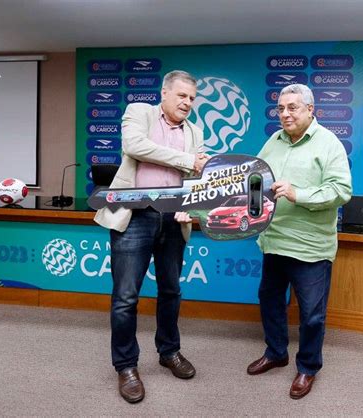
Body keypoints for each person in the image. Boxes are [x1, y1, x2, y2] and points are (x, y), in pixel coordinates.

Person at [94, 70, 208, 403]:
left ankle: (169, 351)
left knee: (171, 290)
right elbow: (135, 147)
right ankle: (126, 366)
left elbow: (194, 179)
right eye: (182, 96)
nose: (187, 103)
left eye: (192, 98)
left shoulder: (195, 131)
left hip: (174, 219)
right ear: (165, 93)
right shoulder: (139, 112)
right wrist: (188, 160)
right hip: (135, 216)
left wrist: (192, 205)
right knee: (126, 297)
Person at [247, 83, 352, 399]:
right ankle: (276, 352)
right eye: (281, 108)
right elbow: (256, 179)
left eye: (293, 107)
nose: (285, 113)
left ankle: (307, 368)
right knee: (270, 301)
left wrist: (298, 194)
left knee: (312, 314)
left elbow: (341, 191)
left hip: (310, 247)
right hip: (274, 241)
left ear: (311, 110)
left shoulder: (328, 143)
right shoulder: (273, 142)